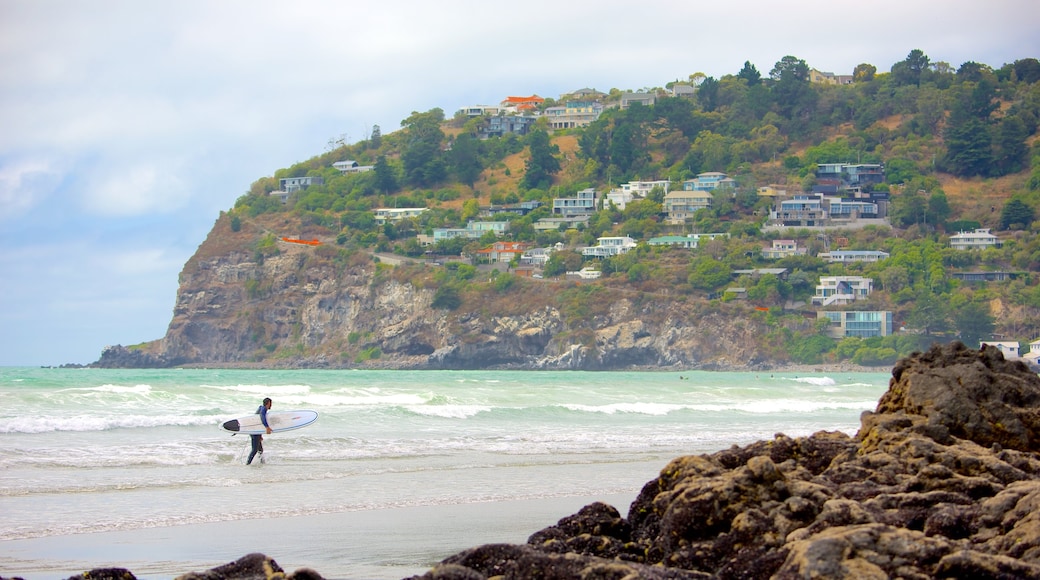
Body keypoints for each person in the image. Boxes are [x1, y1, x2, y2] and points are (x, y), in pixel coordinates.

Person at [246, 398, 273, 465]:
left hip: (255, 431)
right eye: (270, 403)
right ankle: (247, 464)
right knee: (255, 450)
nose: (271, 405)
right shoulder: (263, 409)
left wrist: (260, 435)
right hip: (254, 432)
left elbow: (258, 423)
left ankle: (262, 463)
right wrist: (267, 427)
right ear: (268, 403)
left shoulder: (261, 408)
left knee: (260, 450)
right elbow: (262, 417)